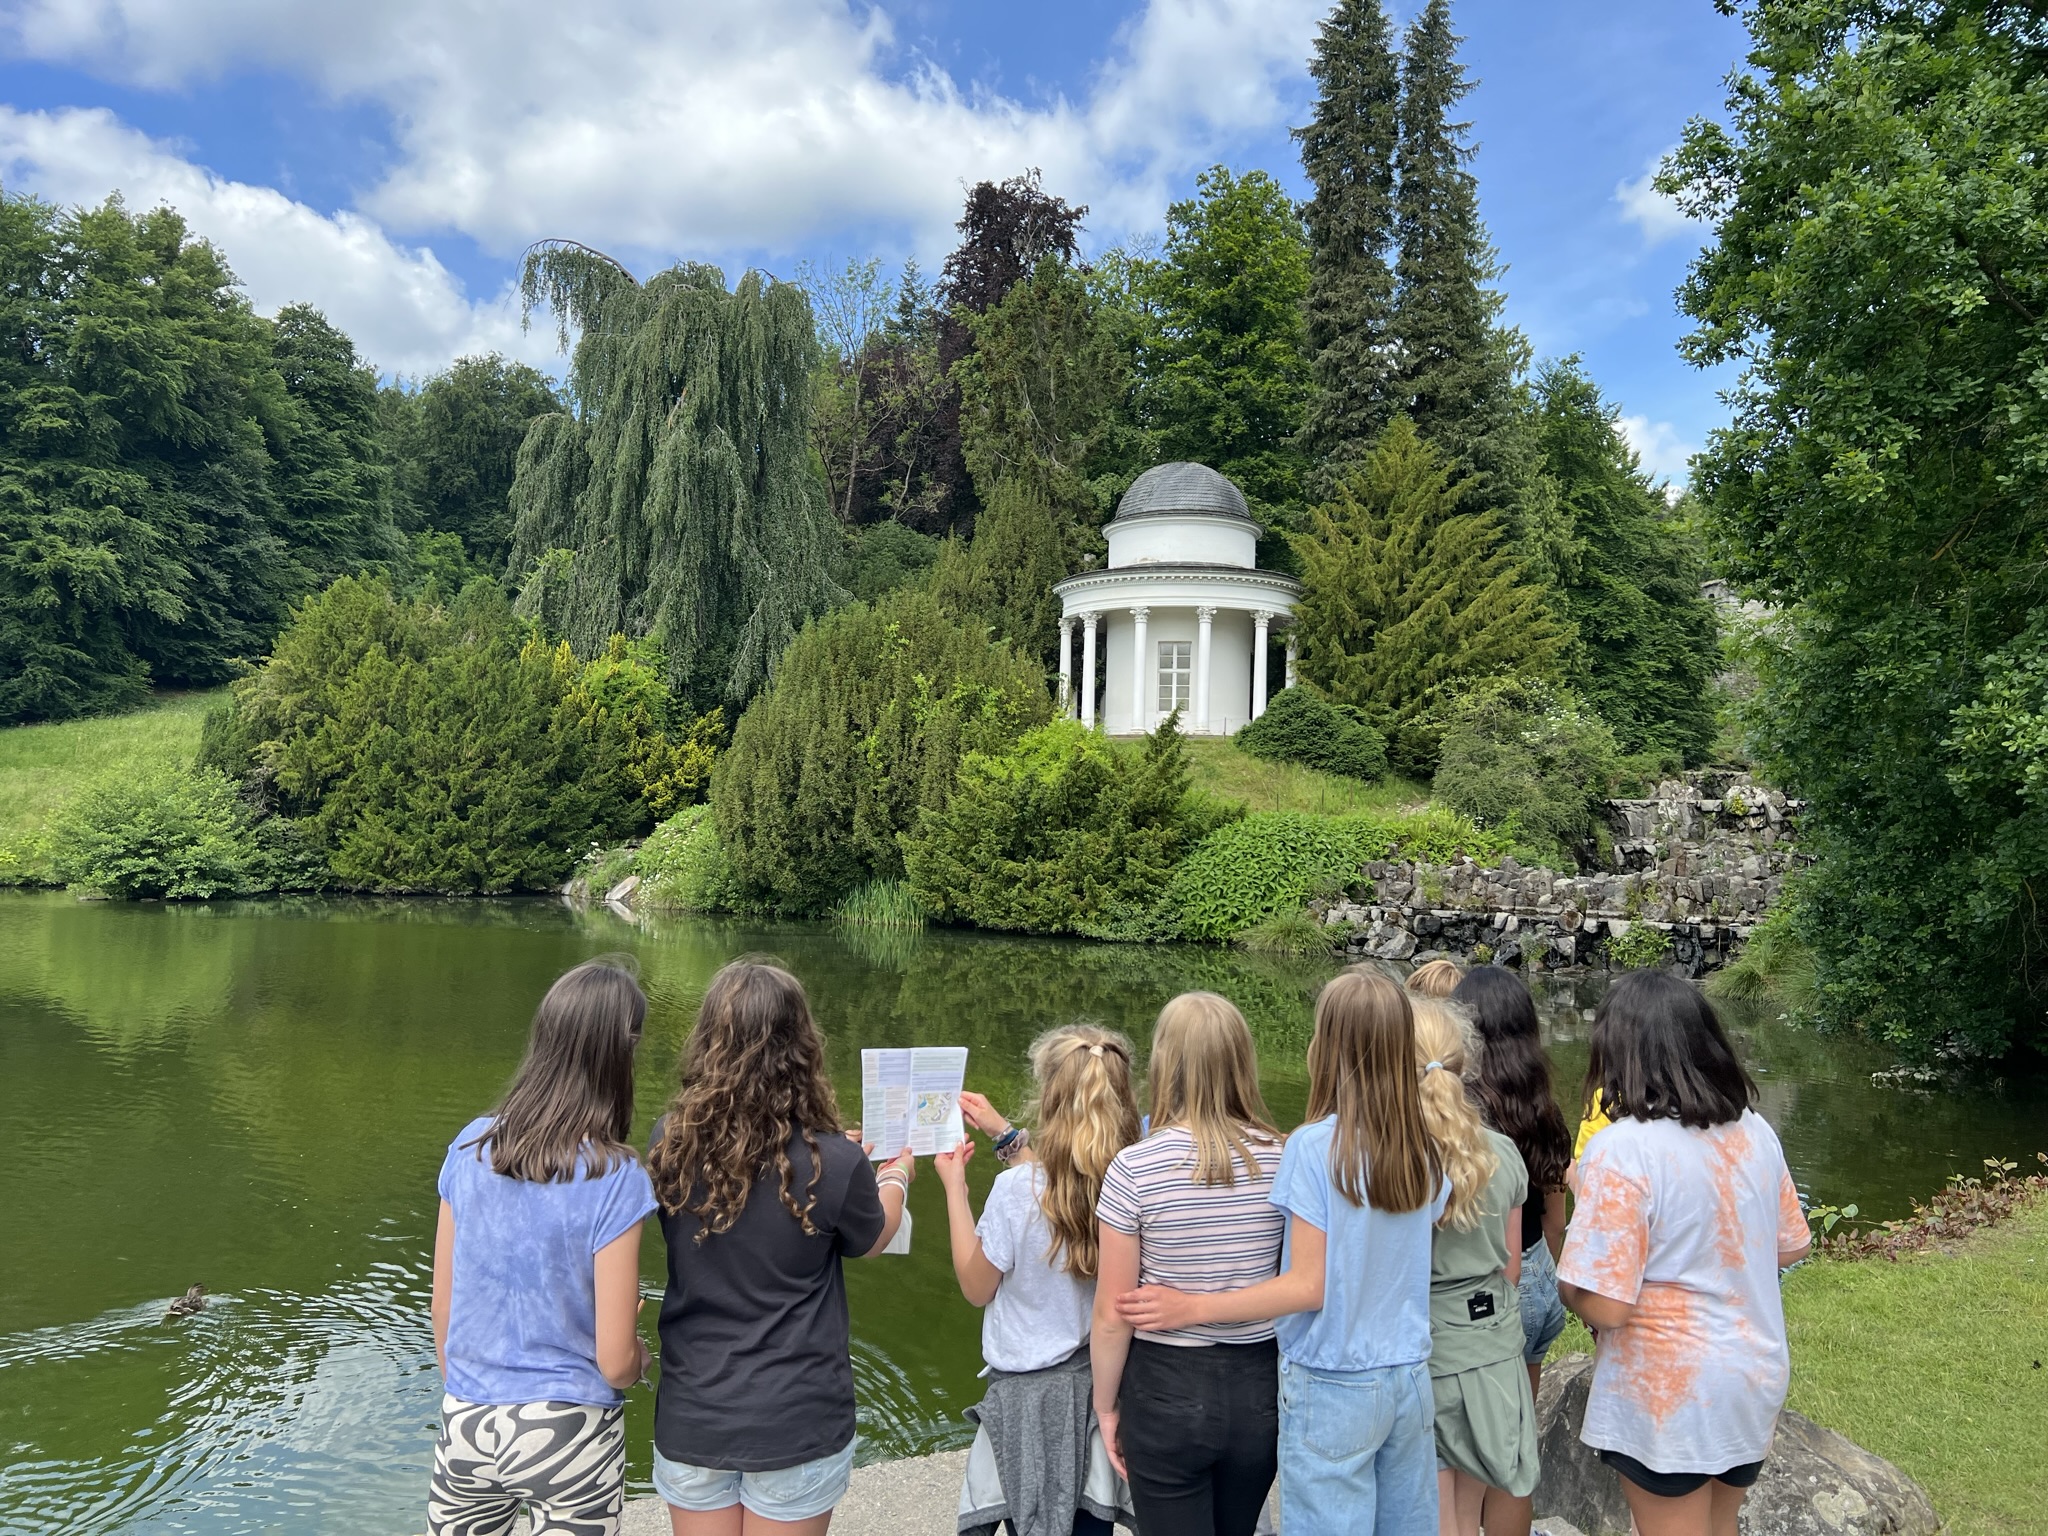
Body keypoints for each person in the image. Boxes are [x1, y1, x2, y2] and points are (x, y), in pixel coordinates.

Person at [1117, 968, 1448, 1536]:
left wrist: (1189, 1307)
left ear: (1330, 1050)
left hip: (1333, 1381)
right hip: (1409, 1377)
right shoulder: (1424, 1150)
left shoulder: (1315, 1147)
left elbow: (1306, 1286)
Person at [646, 959, 915, 1536]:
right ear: (802, 1046)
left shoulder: (667, 1143)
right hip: (797, 1416)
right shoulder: (835, 1162)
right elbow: (872, 1241)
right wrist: (894, 1178)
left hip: (697, 1410)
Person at [1555, 971, 1812, 1536]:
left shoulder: (1620, 1150)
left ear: (1616, 1052)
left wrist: (1566, 1286)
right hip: (1751, 1373)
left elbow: (1606, 1306)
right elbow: (1792, 1246)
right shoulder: (1754, 1131)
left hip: (1668, 1394)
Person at [429, 957, 658, 1536]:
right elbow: (613, 1362)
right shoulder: (617, 1175)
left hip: (467, 1418)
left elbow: (443, 1309)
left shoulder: (470, 1146)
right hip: (568, 1430)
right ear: (619, 1055)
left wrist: (470, 1392)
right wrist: (638, 1355)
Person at [1089, 992, 1287, 1536]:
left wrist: (1106, 1406)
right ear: (1243, 1061)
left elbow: (1113, 1312)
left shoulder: (1134, 1169)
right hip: (1259, 1388)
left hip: (1165, 1388)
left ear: (1163, 1063)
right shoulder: (1284, 1158)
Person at [936, 1025, 1141, 1536]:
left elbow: (976, 1286)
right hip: (1098, 1392)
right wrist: (1005, 1136)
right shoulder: (1132, 1178)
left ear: (1047, 1097)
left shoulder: (1014, 1191)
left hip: (1025, 1402)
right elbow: (1063, 1187)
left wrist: (955, 1190)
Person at [1410, 994, 1538, 1536]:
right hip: (1492, 1346)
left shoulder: (1397, 1158)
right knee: (1468, 1510)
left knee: (1435, 1516)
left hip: (1427, 1347)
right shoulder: (1503, 1152)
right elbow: (1510, 1267)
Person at [1451, 965, 1573, 1536]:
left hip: (1489, 1289)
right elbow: (1554, 1214)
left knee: (1466, 1459)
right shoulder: (1543, 1104)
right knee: (1514, 1451)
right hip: (1541, 1281)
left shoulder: (1460, 1113)